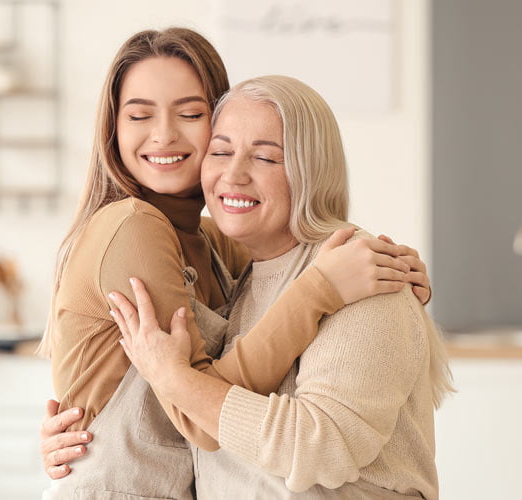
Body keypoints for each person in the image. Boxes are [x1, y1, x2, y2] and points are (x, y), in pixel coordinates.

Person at [38, 28, 433, 499]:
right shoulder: (133, 227)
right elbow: (197, 414)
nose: (163, 134)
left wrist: (391, 267)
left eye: (190, 113)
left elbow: (290, 251)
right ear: (113, 129)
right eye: (139, 115)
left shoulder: (215, 242)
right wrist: (320, 289)